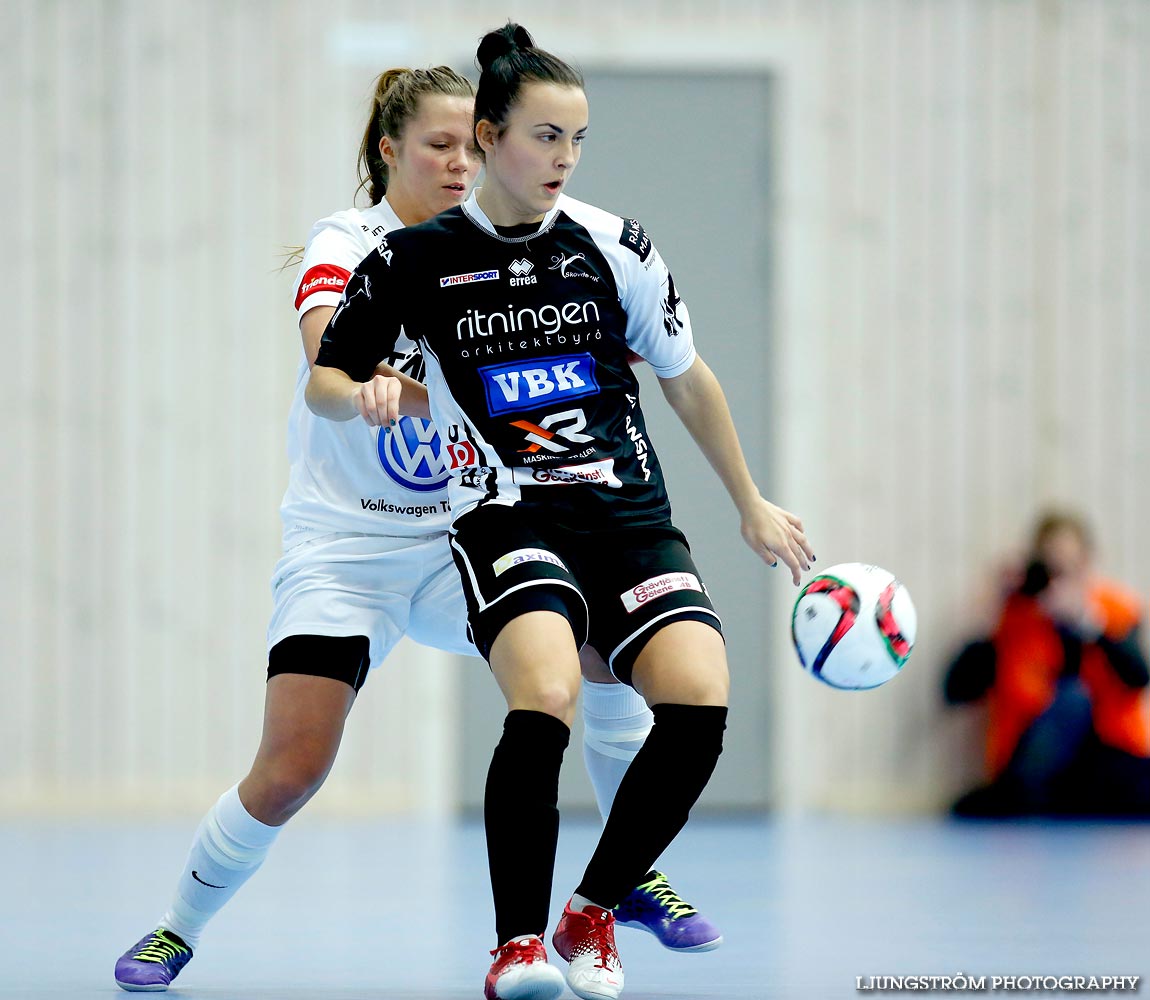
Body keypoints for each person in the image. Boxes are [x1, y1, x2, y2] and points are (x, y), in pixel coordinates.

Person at [113, 65, 713, 995]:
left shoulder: (523, 242)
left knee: (597, 655)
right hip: (346, 550)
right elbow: (325, 357)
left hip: (464, 533)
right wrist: (370, 387)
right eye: (437, 145)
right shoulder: (354, 243)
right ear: (389, 150)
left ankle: (625, 880)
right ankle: (175, 929)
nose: (459, 164)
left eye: (469, 145)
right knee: (292, 766)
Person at [307, 24, 814, 1000]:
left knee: (698, 701)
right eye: (544, 137)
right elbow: (326, 376)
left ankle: (592, 911)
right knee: (545, 693)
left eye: (575, 140)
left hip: (628, 518)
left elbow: (686, 377)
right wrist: (363, 388)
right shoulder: (415, 257)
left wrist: (748, 500)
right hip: (506, 516)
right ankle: (515, 947)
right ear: (489, 136)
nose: (563, 158)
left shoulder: (611, 245)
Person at [945, 509, 1150, 817]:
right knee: (1070, 700)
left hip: (1110, 758)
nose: (1060, 581)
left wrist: (1088, 623)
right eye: (1052, 569)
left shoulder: (1113, 611)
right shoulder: (1014, 617)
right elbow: (956, 690)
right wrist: (988, 617)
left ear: (1087, 566)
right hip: (1037, 763)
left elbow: (1138, 677)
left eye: (1070, 568)